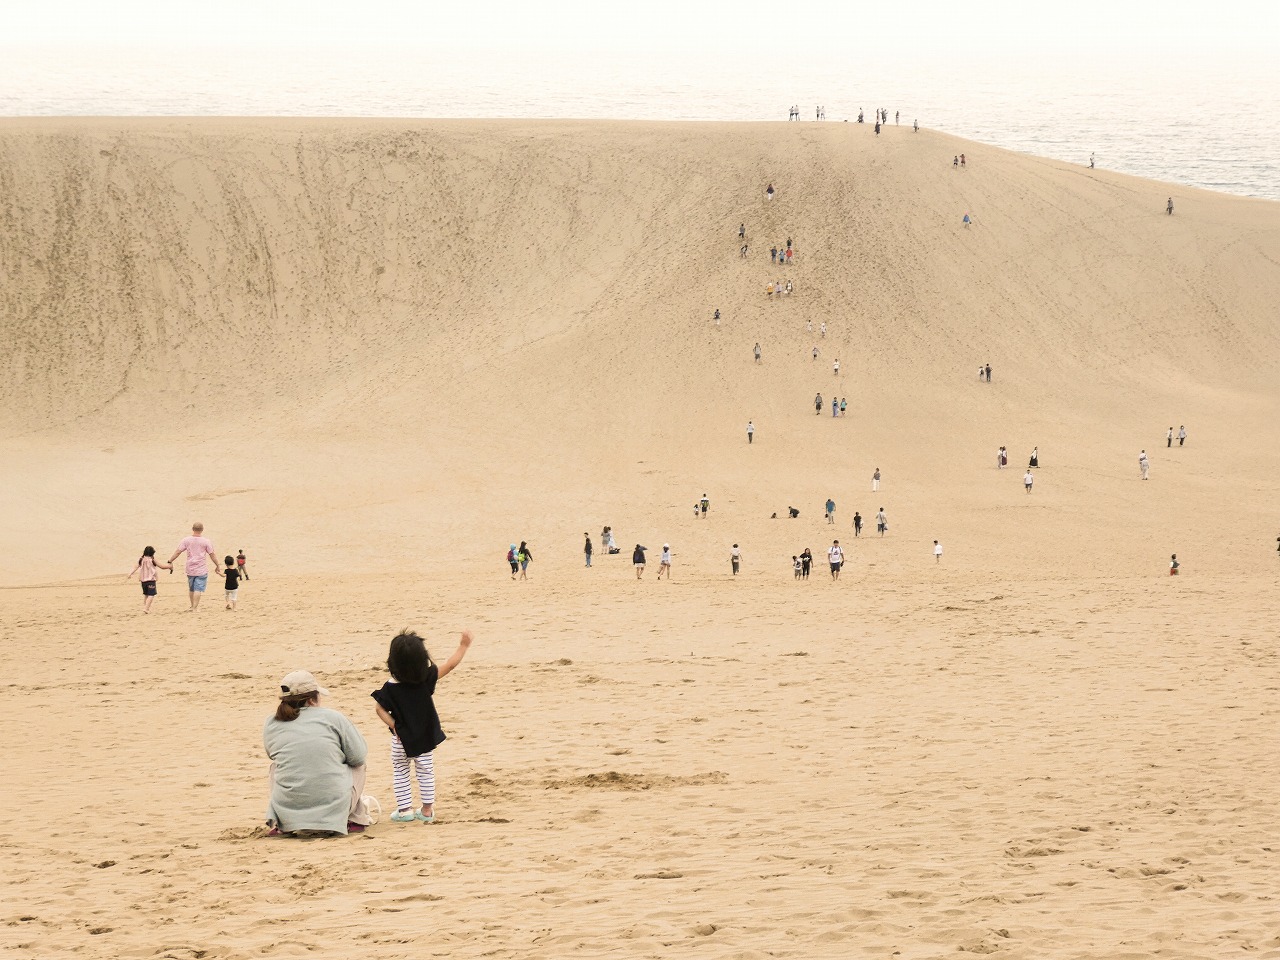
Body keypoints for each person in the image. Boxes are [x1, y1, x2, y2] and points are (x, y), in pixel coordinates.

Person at [372, 630, 473, 825]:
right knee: (425, 770)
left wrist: (394, 726)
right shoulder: (426, 678)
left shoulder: (390, 686)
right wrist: (463, 646)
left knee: (400, 771)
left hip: (401, 739)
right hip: (424, 737)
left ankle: (405, 811)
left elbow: (379, 709)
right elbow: (451, 665)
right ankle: (427, 810)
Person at [263, 670, 373, 837]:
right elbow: (358, 756)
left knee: (275, 767)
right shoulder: (333, 718)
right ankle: (354, 819)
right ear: (312, 699)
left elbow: (273, 753)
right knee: (358, 765)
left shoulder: (272, 722)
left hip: (288, 809)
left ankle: (281, 823)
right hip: (335, 804)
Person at [168, 522, 220, 612]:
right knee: (198, 589)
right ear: (202, 530)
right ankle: (195, 608)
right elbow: (212, 555)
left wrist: (170, 561)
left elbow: (178, 552)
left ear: (193, 529)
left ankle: (192, 606)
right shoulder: (206, 541)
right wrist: (217, 565)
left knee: (191, 588)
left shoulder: (186, 540)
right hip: (201, 569)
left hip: (190, 568)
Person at [127, 545, 172, 614]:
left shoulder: (141, 559)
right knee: (151, 595)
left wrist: (130, 573)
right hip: (150, 580)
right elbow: (162, 566)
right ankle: (146, 608)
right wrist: (169, 566)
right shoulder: (152, 559)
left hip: (143, 581)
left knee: (146, 595)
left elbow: (135, 567)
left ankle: (146, 607)